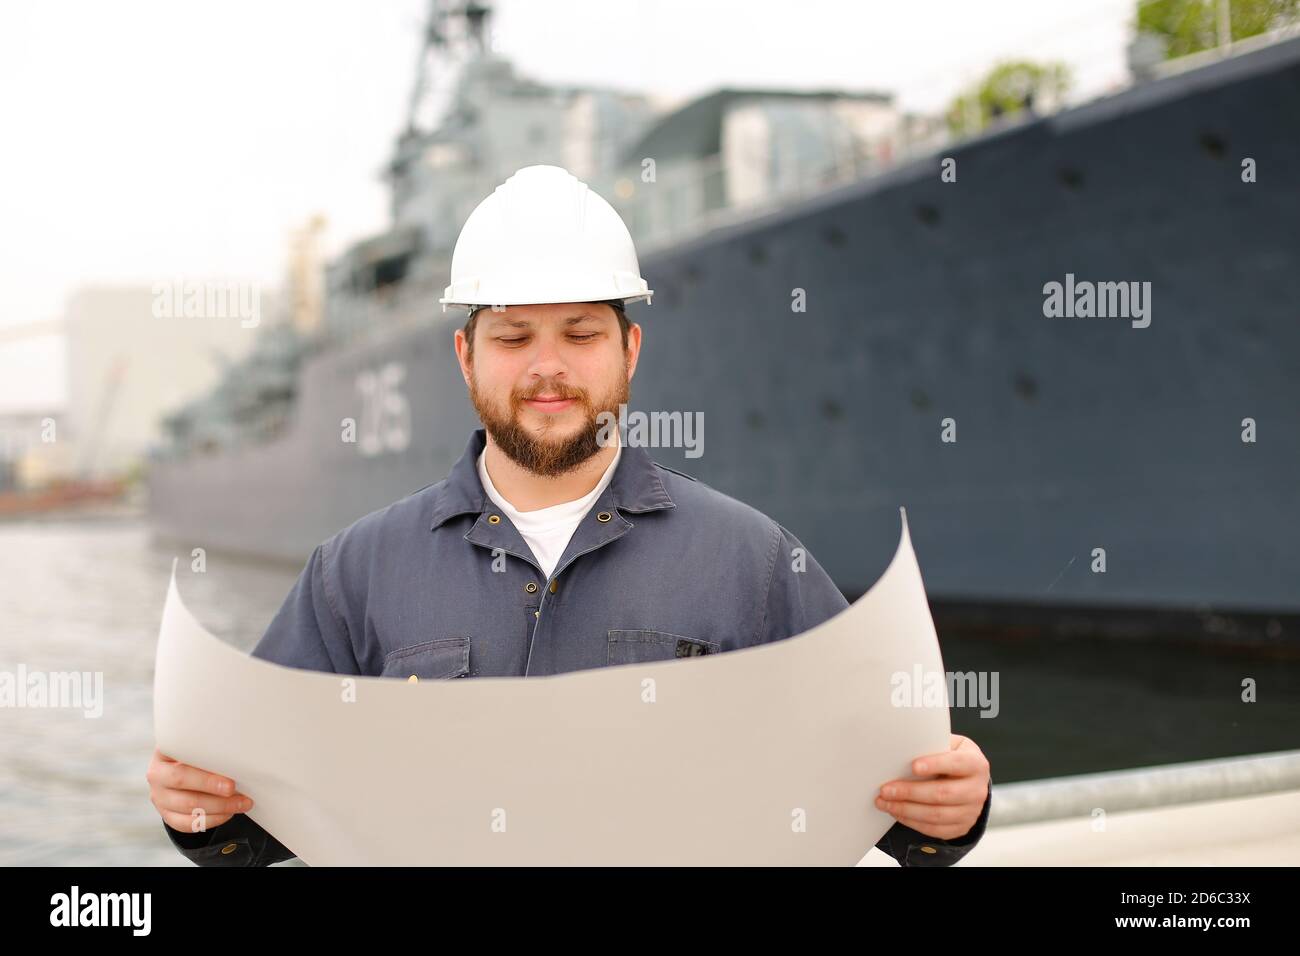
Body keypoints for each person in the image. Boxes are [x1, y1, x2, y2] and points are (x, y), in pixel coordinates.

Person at [147, 165, 991, 866]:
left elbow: (887, 798)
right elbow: (252, 825)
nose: (546, 370)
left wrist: (949, 810)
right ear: (465, 357)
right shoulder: (352, 574)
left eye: (580, 333)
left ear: (628, 351)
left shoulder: (755, 561)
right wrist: (202, 813)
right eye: (513, 338)